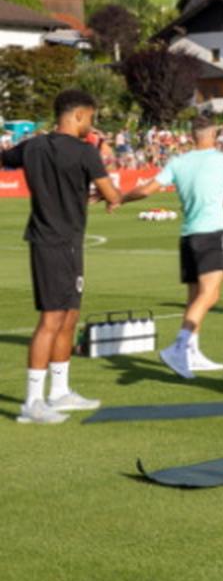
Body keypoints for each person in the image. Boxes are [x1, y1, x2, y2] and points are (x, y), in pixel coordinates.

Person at [4, 90, 123, 424]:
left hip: (61, 241)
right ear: (79, 116)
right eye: (91, 118)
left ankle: (59, 391)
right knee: (52, 319)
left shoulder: (32, 146)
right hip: (56, 242)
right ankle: (32, 402)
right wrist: (108, 195)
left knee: (70, 314)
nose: (92, 124)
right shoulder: (86, 152)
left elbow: (6, 160)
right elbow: (113, 194)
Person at [121, 117, 223, 378]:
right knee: (210, 295)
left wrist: (119, 199)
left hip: (188, 237)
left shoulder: (178, 162)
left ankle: (191, 353)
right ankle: (178, 347)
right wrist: (217, 202)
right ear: (214, 135)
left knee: (194, 297)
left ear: (191, 135)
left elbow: (146, 190)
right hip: (210, 233)